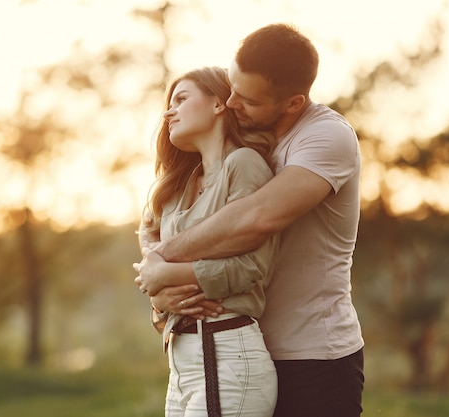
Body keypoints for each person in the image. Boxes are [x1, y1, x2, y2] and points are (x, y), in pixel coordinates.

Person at [136, 23, 365, 417]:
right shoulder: (241, 141)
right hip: (234, 343)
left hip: (311, 355)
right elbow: (157, 222)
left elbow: (258, 218)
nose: (232, 103)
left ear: (293, 103)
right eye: (231, 89)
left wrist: (163, 265)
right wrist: (159, 293)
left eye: (248, 100)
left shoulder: (324, 137)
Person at [134, 66, 279, 417]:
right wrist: (159, 298)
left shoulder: (243, 164)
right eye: (170, 103)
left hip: (227, 356)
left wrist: (166, 277)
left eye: (181, 99)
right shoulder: (176, 189)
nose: (169, 111)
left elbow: (253, 268)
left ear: (219, 103)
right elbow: (150, 255)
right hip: (182, 365)